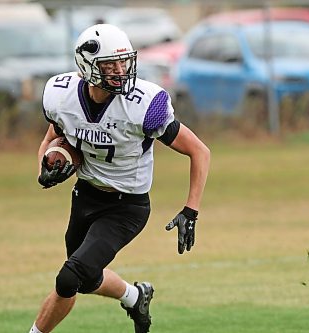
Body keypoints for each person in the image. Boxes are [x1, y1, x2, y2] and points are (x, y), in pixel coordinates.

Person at [29, 24, 210, 333]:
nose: (119, 70)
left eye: (122, 62)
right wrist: (44, 167)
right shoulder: (63, 96)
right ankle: (135, 295)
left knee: (69, 277)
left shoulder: (144, 105)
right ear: (87, 66)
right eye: (109, 65)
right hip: (85, 195)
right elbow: (52, 139)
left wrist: (190, 210)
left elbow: (200, 151)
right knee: (84, 280)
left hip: (126, 207)